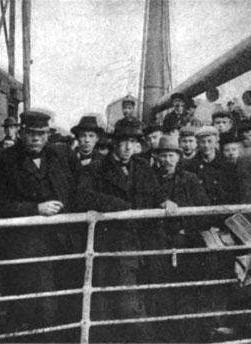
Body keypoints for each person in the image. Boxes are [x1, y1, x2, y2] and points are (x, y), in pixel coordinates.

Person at [75, 118, 177, 343]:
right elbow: (82, 196)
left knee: (147, 295)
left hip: (143, 241)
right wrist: (117, 206)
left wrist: (164, 201)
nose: (128, 147)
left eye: (133, 141)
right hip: (114, 242)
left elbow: (155, 191)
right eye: (123, 142)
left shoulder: (141, 166)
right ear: (113, 143)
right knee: (125, 301)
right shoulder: (97, 168)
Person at [0, 111, 80, 341]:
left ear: (47, 134)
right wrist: (34, 209)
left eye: (41, 134)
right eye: (30, 133)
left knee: (66, 304)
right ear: (21, 132)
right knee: (34, 310)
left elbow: (78, 189)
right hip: (24, 246)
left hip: (62, 244)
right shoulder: (3, 161)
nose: (36, 139)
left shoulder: (62, 157)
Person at [152, 135, 211, 341]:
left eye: (171, 155)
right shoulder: (150, 179)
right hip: (158, 246)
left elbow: (204, 211)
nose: (167, 160)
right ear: (157, 158)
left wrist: (186, 230)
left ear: (178, 157)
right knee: (160, 295)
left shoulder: (190, 179)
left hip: (185, 245)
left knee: (186, 294)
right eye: (163, 155)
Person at [180, 126, 233, 206]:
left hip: (223, 210)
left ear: (216, 141)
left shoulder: (227, 164)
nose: (206, 145)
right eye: (202, 142)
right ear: (197, 143)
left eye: (209, 141)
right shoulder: (190, 166)